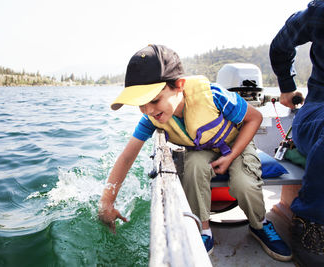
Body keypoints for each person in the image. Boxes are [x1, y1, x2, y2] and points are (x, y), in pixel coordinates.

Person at [98, 44, 292, 261]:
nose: (149, 111)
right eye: (141, 105)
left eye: (154, 100)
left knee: (244, 183)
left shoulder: (214, 95)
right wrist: (107, 201)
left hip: (236, 144)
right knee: (193, 168)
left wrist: (231, 155)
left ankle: (260, 224)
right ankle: (203, 230)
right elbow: (127, 156)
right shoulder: (151, 118)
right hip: (202, 150)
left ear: (179, 85)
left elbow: (254, 118)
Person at [270, 1, 324, 265]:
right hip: (317, 113)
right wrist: (287, 86)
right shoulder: (320, 13)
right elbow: (281, 45)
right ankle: (310, 224)